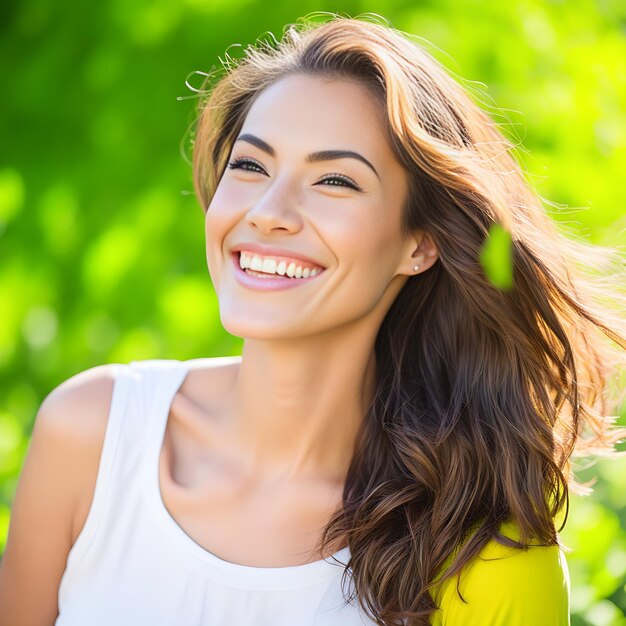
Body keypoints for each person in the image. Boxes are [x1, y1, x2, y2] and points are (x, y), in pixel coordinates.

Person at [1, 13, 625, 626]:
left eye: (333, 180)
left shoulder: (479, 549)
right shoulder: (90, 435)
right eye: (251, 166)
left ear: (420, 242)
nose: (269, 212)